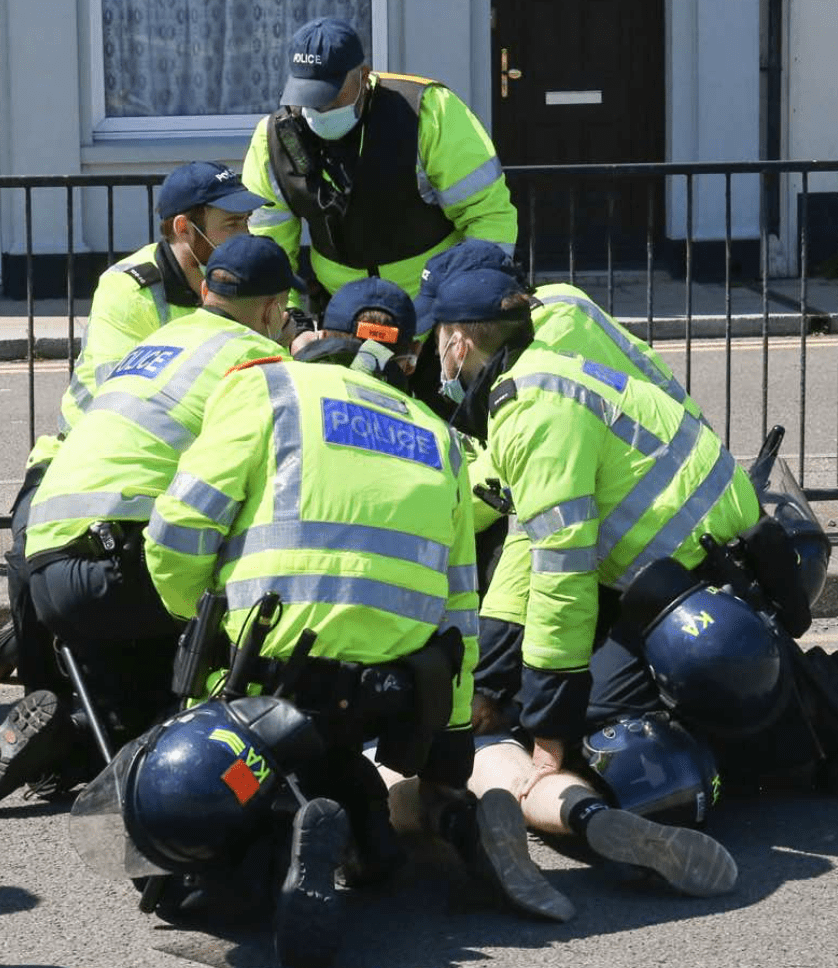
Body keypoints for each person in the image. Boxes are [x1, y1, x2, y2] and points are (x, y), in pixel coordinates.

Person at [141, 285, 572, 963]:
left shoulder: (270, 394)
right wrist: (449, 751)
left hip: (264, 676)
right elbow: (461, 613)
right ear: (402, 361)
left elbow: (178, 532)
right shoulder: (439, 439)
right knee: (350, 784)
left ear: (314, 342)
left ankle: (268, 854)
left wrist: (195, 623)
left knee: (188, 852)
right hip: (383, 695)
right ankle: (374, 844)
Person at [423, 265, 760, 898]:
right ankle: (589, 811)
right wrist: (493, 674)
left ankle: (583, 801)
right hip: (691, 564)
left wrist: (548, 733)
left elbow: (561, 577)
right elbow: (525, 540)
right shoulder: (538, 372)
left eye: (437, 336)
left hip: (695, 586)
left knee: (567, 716)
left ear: (458, 343)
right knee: (527, 695)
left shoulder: (533, 415)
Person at [0, 234, 301, 803]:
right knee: (250, 579)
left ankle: (79, 734)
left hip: (44, 561)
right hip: (112, 570)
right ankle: (195, 746)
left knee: (130, 697)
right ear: (271, 310)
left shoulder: (163, 340)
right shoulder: (256, 359)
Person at [1, 161, 269, 684]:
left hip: (192, 461)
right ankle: (45, 703)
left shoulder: (246, 280)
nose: (245, 235)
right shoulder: (130, 290)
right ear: (184, 231)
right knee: (28, 557)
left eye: (248, 224)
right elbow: (125, 403)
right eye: (231, 226)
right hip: (80, 456)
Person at [241, 16, 517, 311]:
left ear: (363, 75)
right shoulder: (275, 139)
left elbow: (487, 216)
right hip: (341, 310)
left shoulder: (427, 113)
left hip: (434, 303)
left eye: (331, 97)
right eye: (309, 98)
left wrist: (469, 306)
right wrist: (287, 320)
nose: (319, 110)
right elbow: (268, 248)